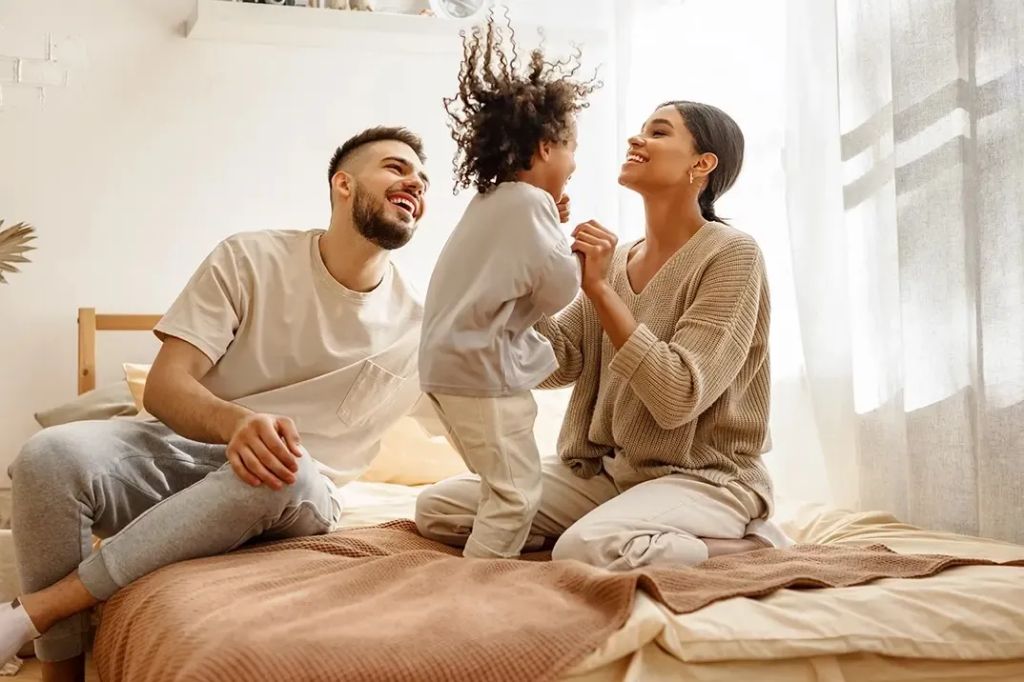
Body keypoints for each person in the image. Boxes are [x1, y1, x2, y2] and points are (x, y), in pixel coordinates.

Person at [3, 126, 432, 681]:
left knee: (286, 466)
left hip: (289, 491)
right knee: (46, 456)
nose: (415, 182)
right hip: (183, 450)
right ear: (343, 184)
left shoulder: (425, 325)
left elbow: (525, 371)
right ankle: (63, 674)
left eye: (423, 178)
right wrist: (237, 423)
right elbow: (165, 386)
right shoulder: (251, 257)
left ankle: (31, 614)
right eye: (397, 168)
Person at [416, 101, 792, 570]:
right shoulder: (616, 260)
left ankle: (750, 547)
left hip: (705, 478)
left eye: (658, 132)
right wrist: (526, 262)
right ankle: (626, 527)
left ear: (703, 164)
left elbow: (677, 397)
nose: (637, 140)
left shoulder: (732, 254)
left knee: (586, 548)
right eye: (639, 130)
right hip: (611, 475)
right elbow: (563, 360)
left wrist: (595, 289)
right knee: (439, 509)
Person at [417, 16, 597, 559]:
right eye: (571, 150)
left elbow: (513, 270)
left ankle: (495, 561)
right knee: (516, 495)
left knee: (501, 485)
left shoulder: (494, 201)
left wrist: (550, 227)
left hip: (445, 370)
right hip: (482, 374)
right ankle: (479, 592)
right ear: (545, 148)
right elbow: (557, 288)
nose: (574, 163)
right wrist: (578, 254)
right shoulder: (531, 206)